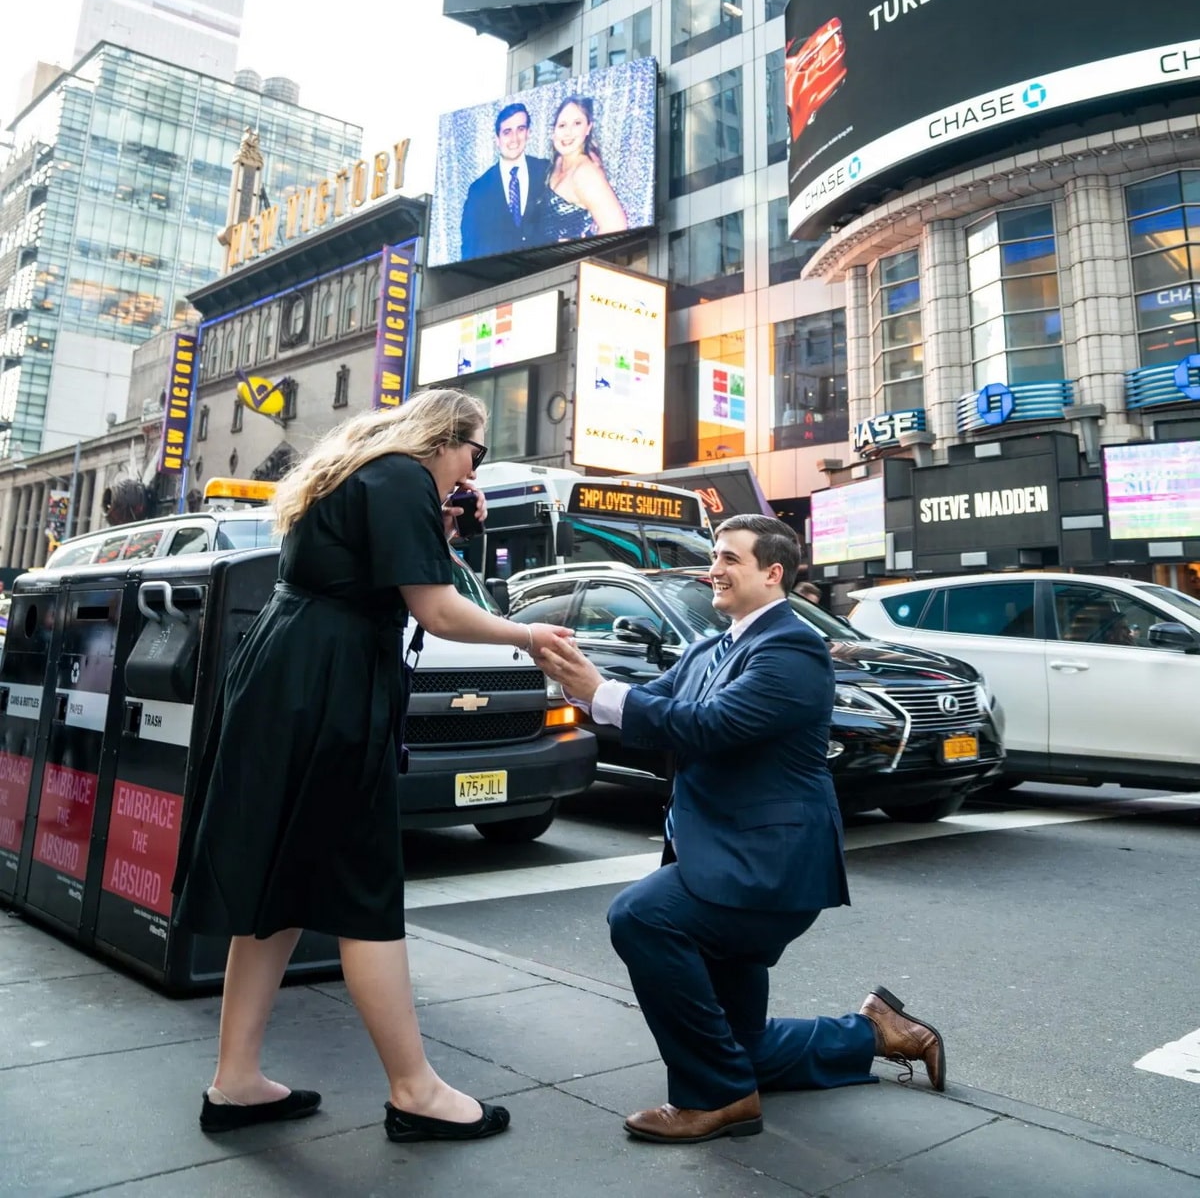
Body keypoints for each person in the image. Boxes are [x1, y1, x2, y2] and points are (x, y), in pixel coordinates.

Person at [172, 389, 572, 1146]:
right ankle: (415, 1088)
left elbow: (385, 574)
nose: (468, 471)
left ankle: (236, 1081)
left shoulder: (360, 473)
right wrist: (528, 634)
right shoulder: (398, 479)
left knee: (277, 881)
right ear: (445, 438)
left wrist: (446, 522)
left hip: (288, 674)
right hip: (331, 685)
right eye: (474, 453)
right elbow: (439, 610)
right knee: (364, 886)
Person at [537, 514, 945, 1145]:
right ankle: (874, 1031)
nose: (714, 570)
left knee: (642, 917)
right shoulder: (708, 648)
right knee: (742, 1043)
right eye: (714, 557)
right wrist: (578, 678)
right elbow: (654, 710)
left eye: (729, 558)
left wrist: (600, 690)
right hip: (719, 857)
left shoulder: (793, 649)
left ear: (772, 572)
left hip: (768, 869)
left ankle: (720, 1097)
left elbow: (710, 727)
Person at [459, 101, 551, 259]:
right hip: (498, 278)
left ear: (528, 132)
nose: (514, 139)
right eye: (507, 132)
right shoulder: (479, 190)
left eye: (520, 129)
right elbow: (469, 247)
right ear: (497, 139)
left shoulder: (546, 170)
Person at [541, 94, 627, 243]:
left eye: (577, 123)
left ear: (588, 128)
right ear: (553, 131)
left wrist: (581, 255)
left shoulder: (586, 173)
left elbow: (617, 226)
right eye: (562, 125)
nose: (568, 132)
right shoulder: (558, 161)